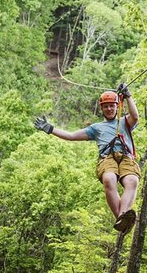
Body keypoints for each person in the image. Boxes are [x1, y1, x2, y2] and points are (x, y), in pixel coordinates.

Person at [34, 83, 140, 233]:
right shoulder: (96, 128)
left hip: (126, 157)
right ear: (101, 109)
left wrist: (128, 96)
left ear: (117, 106)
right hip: (107, 158)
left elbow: (135, 116)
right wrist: (50, 129)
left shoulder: (124, 122)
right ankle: (122, 217)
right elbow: (71, 136)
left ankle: (122, 219)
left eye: (112, 106)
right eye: (106, 106)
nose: (109, 109)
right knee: (109, 178)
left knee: (132, 180)